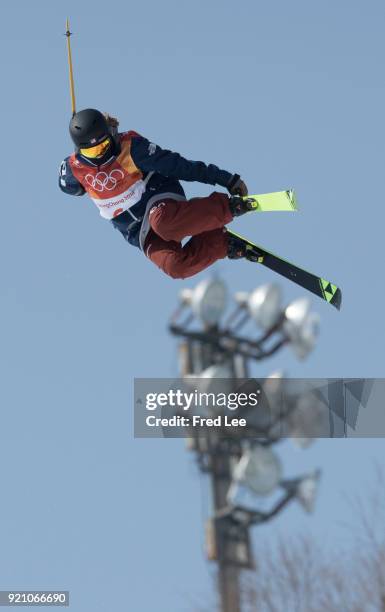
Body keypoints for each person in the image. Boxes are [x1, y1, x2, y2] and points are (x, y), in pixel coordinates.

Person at [59, 108, 255, 279]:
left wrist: (225, 179)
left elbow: (179, 166)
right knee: (175, 267)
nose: (101, 154)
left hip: (158, 199)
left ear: (110, 134)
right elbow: (66, 186)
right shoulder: (75, 168)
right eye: (93, 152)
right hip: (137, 230)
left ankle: (226, 208)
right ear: (81, 150)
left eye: (104, 145)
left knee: (164, 223)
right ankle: (221, 242)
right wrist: (73, 185)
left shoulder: (131, 148)